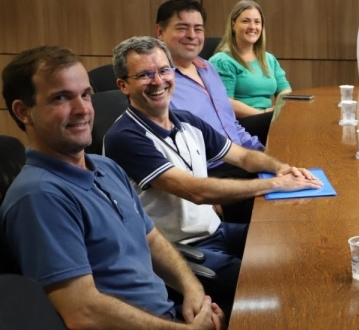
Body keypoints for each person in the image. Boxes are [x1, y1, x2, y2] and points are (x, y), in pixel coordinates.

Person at [0, 46, 223, 330]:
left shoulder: (107, 167)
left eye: (85, 94)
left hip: (168, 316)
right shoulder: (39, 197)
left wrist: (194, 293)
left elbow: (153, 240)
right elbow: (83, 312)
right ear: (24, 112)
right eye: (61, 98)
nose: (82, 109)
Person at [103, 37, 322, 318]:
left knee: (296, 247)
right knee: (273, 283)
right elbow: (196, 191)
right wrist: (275, 183)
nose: (158, 81)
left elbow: (242, 156)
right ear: (124, 85)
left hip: (217, 230)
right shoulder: (125, 137)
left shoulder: (185, 120)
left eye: (163, 70)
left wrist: (281, 167)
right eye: (144, 75)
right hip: (181, 252)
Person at [155, 0, 266, 223]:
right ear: (160, 32)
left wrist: (262, 153)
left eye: (198, 28)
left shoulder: (209, 69)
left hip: (241, 160)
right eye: (182, 28)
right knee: (276, 213)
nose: (192, 35)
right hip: (210, 173)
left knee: (298, 186)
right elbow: (169, 147)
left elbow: (231, 123)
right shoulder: (160, 82)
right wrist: (202, 191)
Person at [210, 0, 292, 119]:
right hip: (242, 123)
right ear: (233, 25)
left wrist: (278, 109)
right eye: (245, 21)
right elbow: (225, 103)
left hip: (268, 118)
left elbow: (285, 90)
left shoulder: (268, 58)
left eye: (257, 22)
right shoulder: (222, 61)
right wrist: (264, 115)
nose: (252, 27)